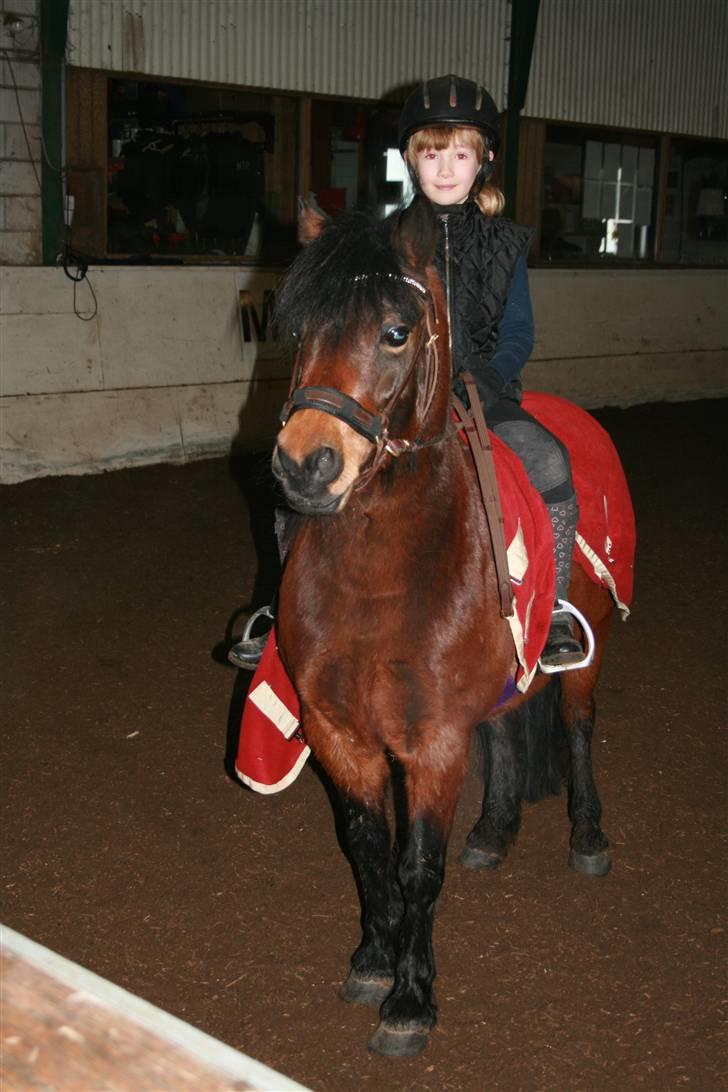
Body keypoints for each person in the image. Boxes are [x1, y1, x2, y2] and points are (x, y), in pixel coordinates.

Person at [229, 73, 584, 670]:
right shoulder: (380, 240)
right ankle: (279, 603)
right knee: (303, 469)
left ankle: (554, 612)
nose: (446, 169)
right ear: (411, 160)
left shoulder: (504, 243)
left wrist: (493, 375)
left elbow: (519, 330)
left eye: (461, 154)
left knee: (548, 459)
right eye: (432, 154)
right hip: (395, 394)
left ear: (484, 161)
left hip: (481, 392)